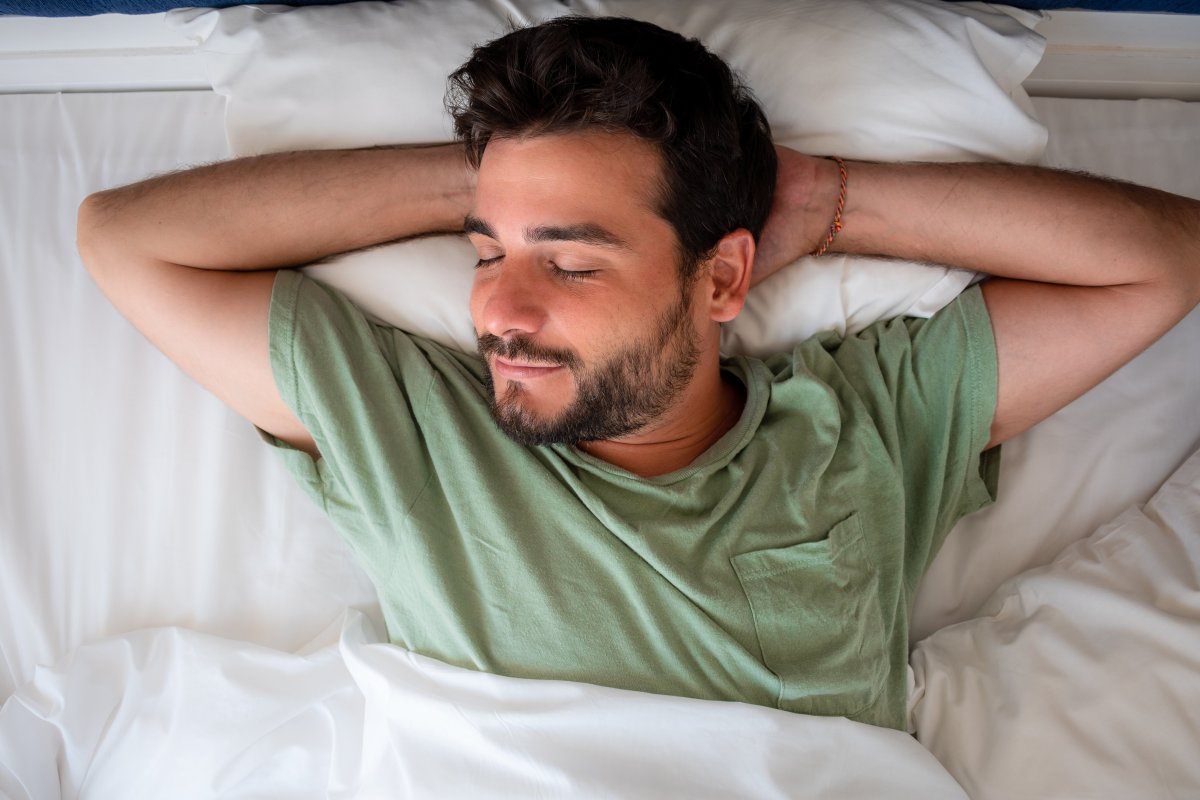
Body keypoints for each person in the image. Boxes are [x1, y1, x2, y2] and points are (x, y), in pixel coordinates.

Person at [76, 16, 1200, 731]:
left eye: (570, 261)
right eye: (485, 253)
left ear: (723, 278)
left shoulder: (868, 422)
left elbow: (1165, 259)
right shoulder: (410, 427)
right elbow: (123, 238)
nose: (499, 311)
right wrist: (495, 184)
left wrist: (831, 200)